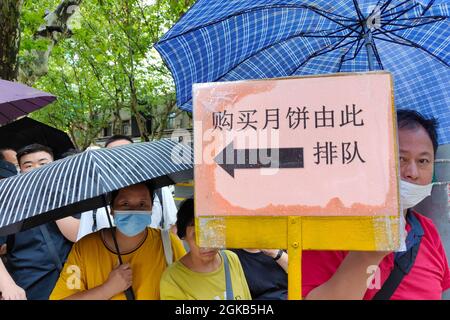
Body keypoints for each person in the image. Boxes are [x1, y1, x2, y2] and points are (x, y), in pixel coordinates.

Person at [302, 109, 450, 300]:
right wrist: (367, 255)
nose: (412, 172)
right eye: (400, 159)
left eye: (423, 161)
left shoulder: (427, 231)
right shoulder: (329, 229)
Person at [50, 182, 186, 300]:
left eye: (142, 204)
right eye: (125, 203)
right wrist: (106, 290)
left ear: (151, 209)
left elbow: (189, 290)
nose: (134, 210)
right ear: (111, 209)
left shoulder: (168, 244)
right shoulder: (85, 248)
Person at [0, 144, 80, 300]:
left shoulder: (72, 196)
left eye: (43, 164)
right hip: (30, 282)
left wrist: (50, 200)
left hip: (72, 276)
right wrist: (7, 284)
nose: (36, 169)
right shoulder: (10, 204)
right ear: (20, 171)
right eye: (28, 165)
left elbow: (78, 235)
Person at [160, 198, 252, 300]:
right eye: (197, 235)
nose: (207, 244)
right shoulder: (173, 279)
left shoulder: (231, 260)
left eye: (214, 232)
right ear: (184, 235)